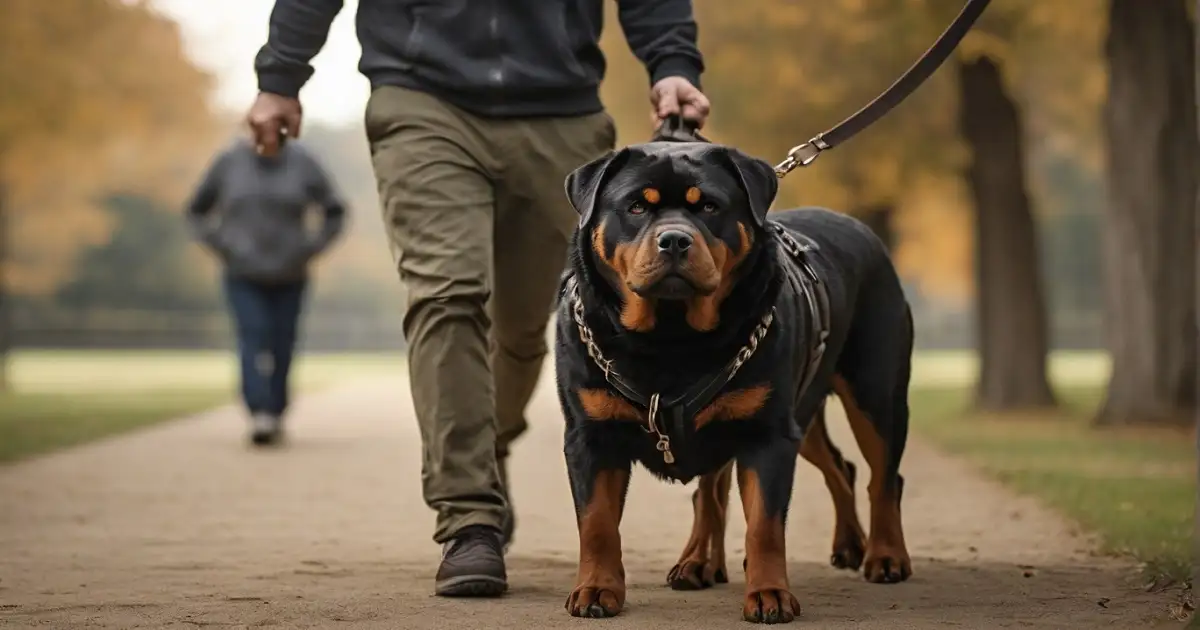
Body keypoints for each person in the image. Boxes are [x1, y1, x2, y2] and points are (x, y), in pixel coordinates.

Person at [246, 0, 711, 597]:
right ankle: (469, 518)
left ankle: (485, 447)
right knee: (448, 296)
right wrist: (280, 76)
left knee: (525, 324)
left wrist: (672, 61)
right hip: (422, 98)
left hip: (561, 107)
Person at [185, 136, 347, 446]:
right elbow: (196, 211)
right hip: (243, 272)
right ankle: (259, 410)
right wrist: (224, 246)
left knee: (282, 342)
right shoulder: (229, 162)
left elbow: (335, 210)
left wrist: (310, 248)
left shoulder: (304, 162)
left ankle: (276, 410)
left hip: (290, 272)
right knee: (253, 334)